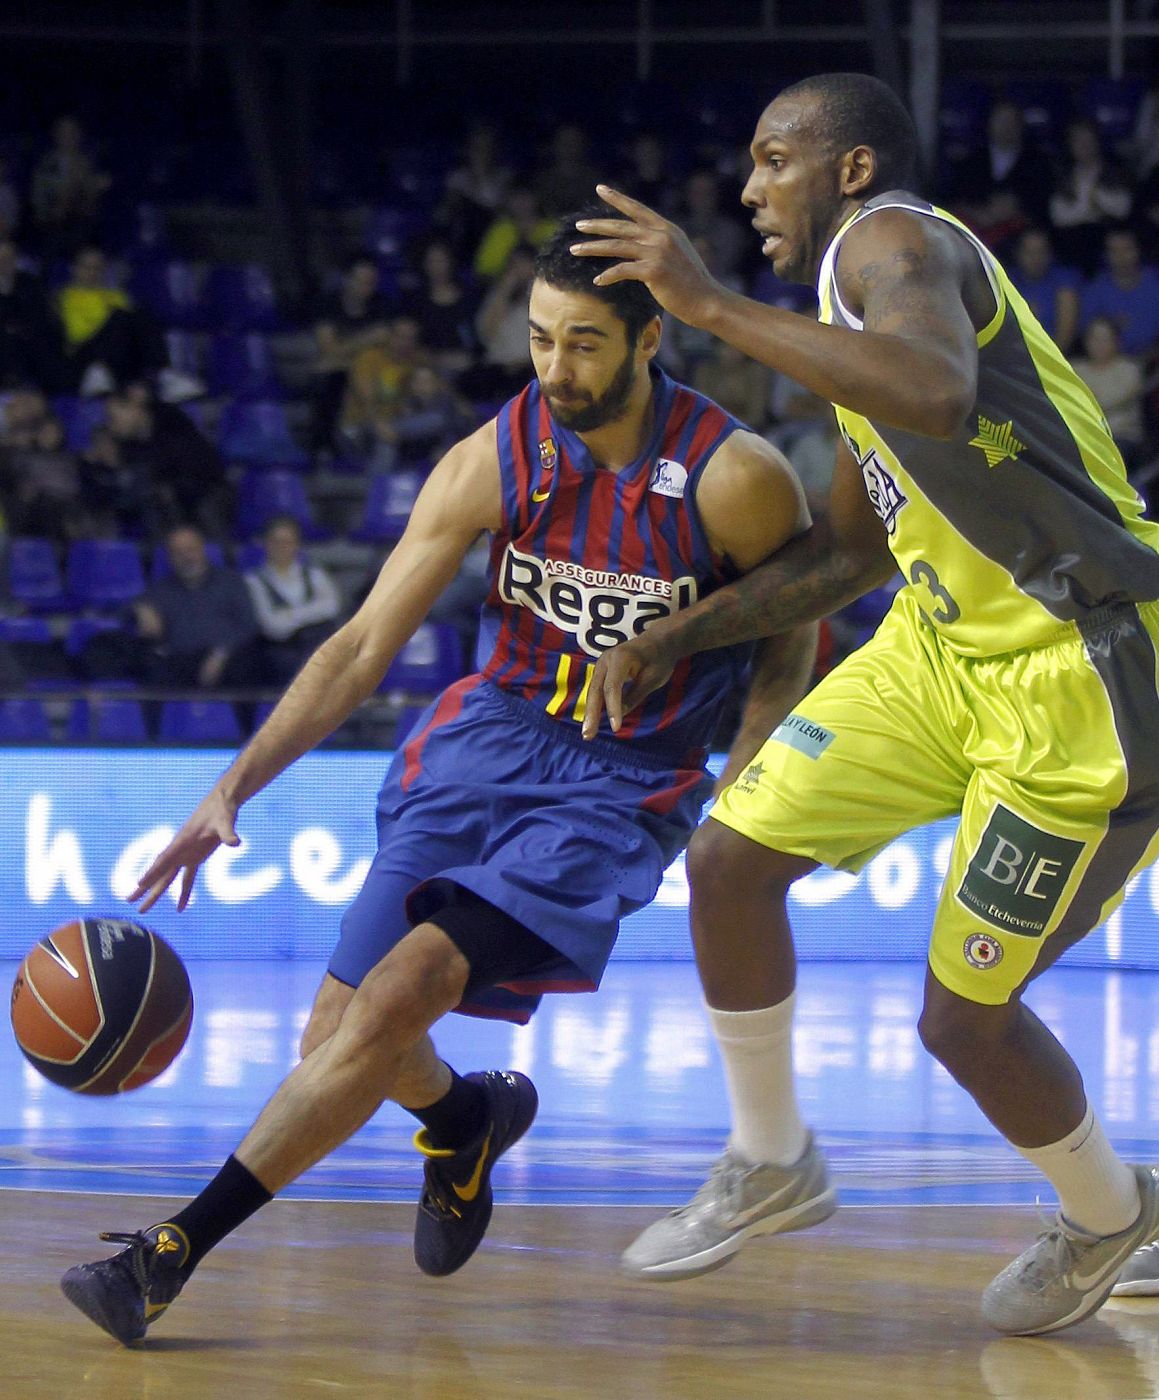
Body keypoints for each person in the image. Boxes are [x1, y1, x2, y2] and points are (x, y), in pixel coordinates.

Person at [59, 211, 816, 1346]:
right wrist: (235, 785)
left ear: (649, 338)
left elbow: (792, 629)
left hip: (622, 783)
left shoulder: (733, 477)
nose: (555, 368)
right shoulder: (494, 457)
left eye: (585, 344)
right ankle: (464, 1118)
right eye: (541, 338)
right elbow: (362, 644)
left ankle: (170, 1250)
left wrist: (746, 780)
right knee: (337, 1032)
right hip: (485, 744)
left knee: (404, 987)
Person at [572, 71, 1159, 1338]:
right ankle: (772, 1156)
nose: (747, 187)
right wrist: (673, 633)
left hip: (1078, 671)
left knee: (963, 1019)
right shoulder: (851, 337)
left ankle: (1112, 1212)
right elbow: (850, 556)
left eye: (771, 157)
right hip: (937, 651)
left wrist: (706, 301)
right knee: (727, 862)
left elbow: (940, 391)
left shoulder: (890, 240)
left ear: (845, 170)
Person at [244, 514, 342, 685]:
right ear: (266, 544)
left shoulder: (314, 575)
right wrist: (313, 612)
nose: (282, 547)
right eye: (276, 542)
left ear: (297, 545)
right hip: (279, 658)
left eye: (287, 542)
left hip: (316, 649)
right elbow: (273, 626)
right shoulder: (254, 581)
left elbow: (332, 607)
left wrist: (288, 616)